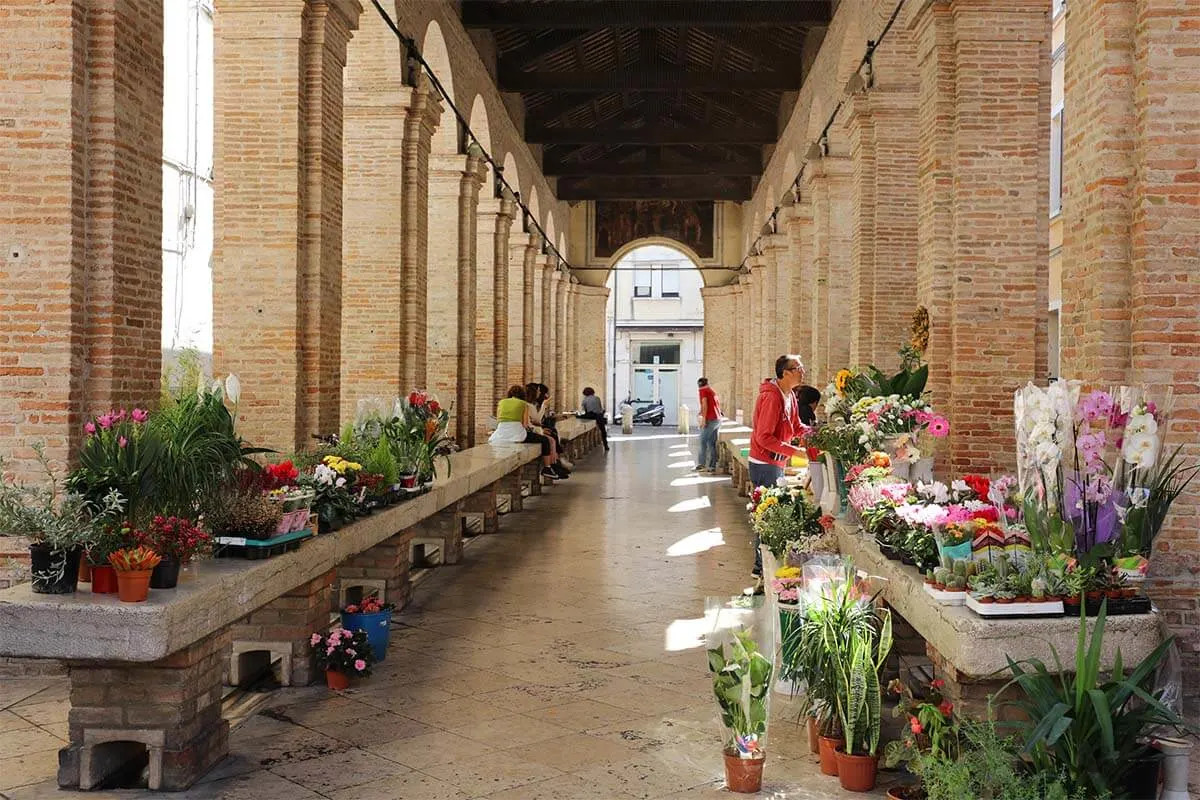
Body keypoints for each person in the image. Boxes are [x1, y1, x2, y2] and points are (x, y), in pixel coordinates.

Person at [748, 355, 808, 585]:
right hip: (765, 464)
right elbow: (764, 437)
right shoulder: (772, 397)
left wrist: (814, 434)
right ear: (784, 373)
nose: (802, 371)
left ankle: (761, 564)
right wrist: (795, 452)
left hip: (776, 462)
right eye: (798, 368)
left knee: (771, 512)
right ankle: (759, 567)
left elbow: (795, 426)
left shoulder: (789, 394)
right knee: (768, 514)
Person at [488, 385, 562, 481]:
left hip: (501, 432)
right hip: (517, 433)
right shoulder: (523, 404)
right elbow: (525, 424)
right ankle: (547, 468)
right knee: (545, 440)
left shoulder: (501, 402)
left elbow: (498, 420)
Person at [525, 382, 571, 477]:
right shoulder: (529, 405)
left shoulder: (531, 405)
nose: (540, 393)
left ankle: (555, 463)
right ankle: (551, 465)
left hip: (533, 429)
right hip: (530, 431)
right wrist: (544, 406)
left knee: (552, 435)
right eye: (538, 391)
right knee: (550, 439)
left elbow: (536, 421)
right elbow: (536, 420)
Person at [695, 377, 722, 472]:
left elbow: (705, 404)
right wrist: (700, 412)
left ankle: (702, 464)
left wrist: (704, 420)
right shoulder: (711, 391)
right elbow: (708, 405)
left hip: (710, 420)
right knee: (711, 443)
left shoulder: (703, 391)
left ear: (699, 384)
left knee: (702, 441)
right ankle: (712, 466)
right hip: (717, 419)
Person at [579, 387, 609, 452]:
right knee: (603, 431)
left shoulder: (585, 400)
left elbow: (585, 410)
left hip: (591, 416)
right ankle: (606, 445)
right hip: (599, 416)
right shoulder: (597, 398)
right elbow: (600, 408)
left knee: (578, 417)